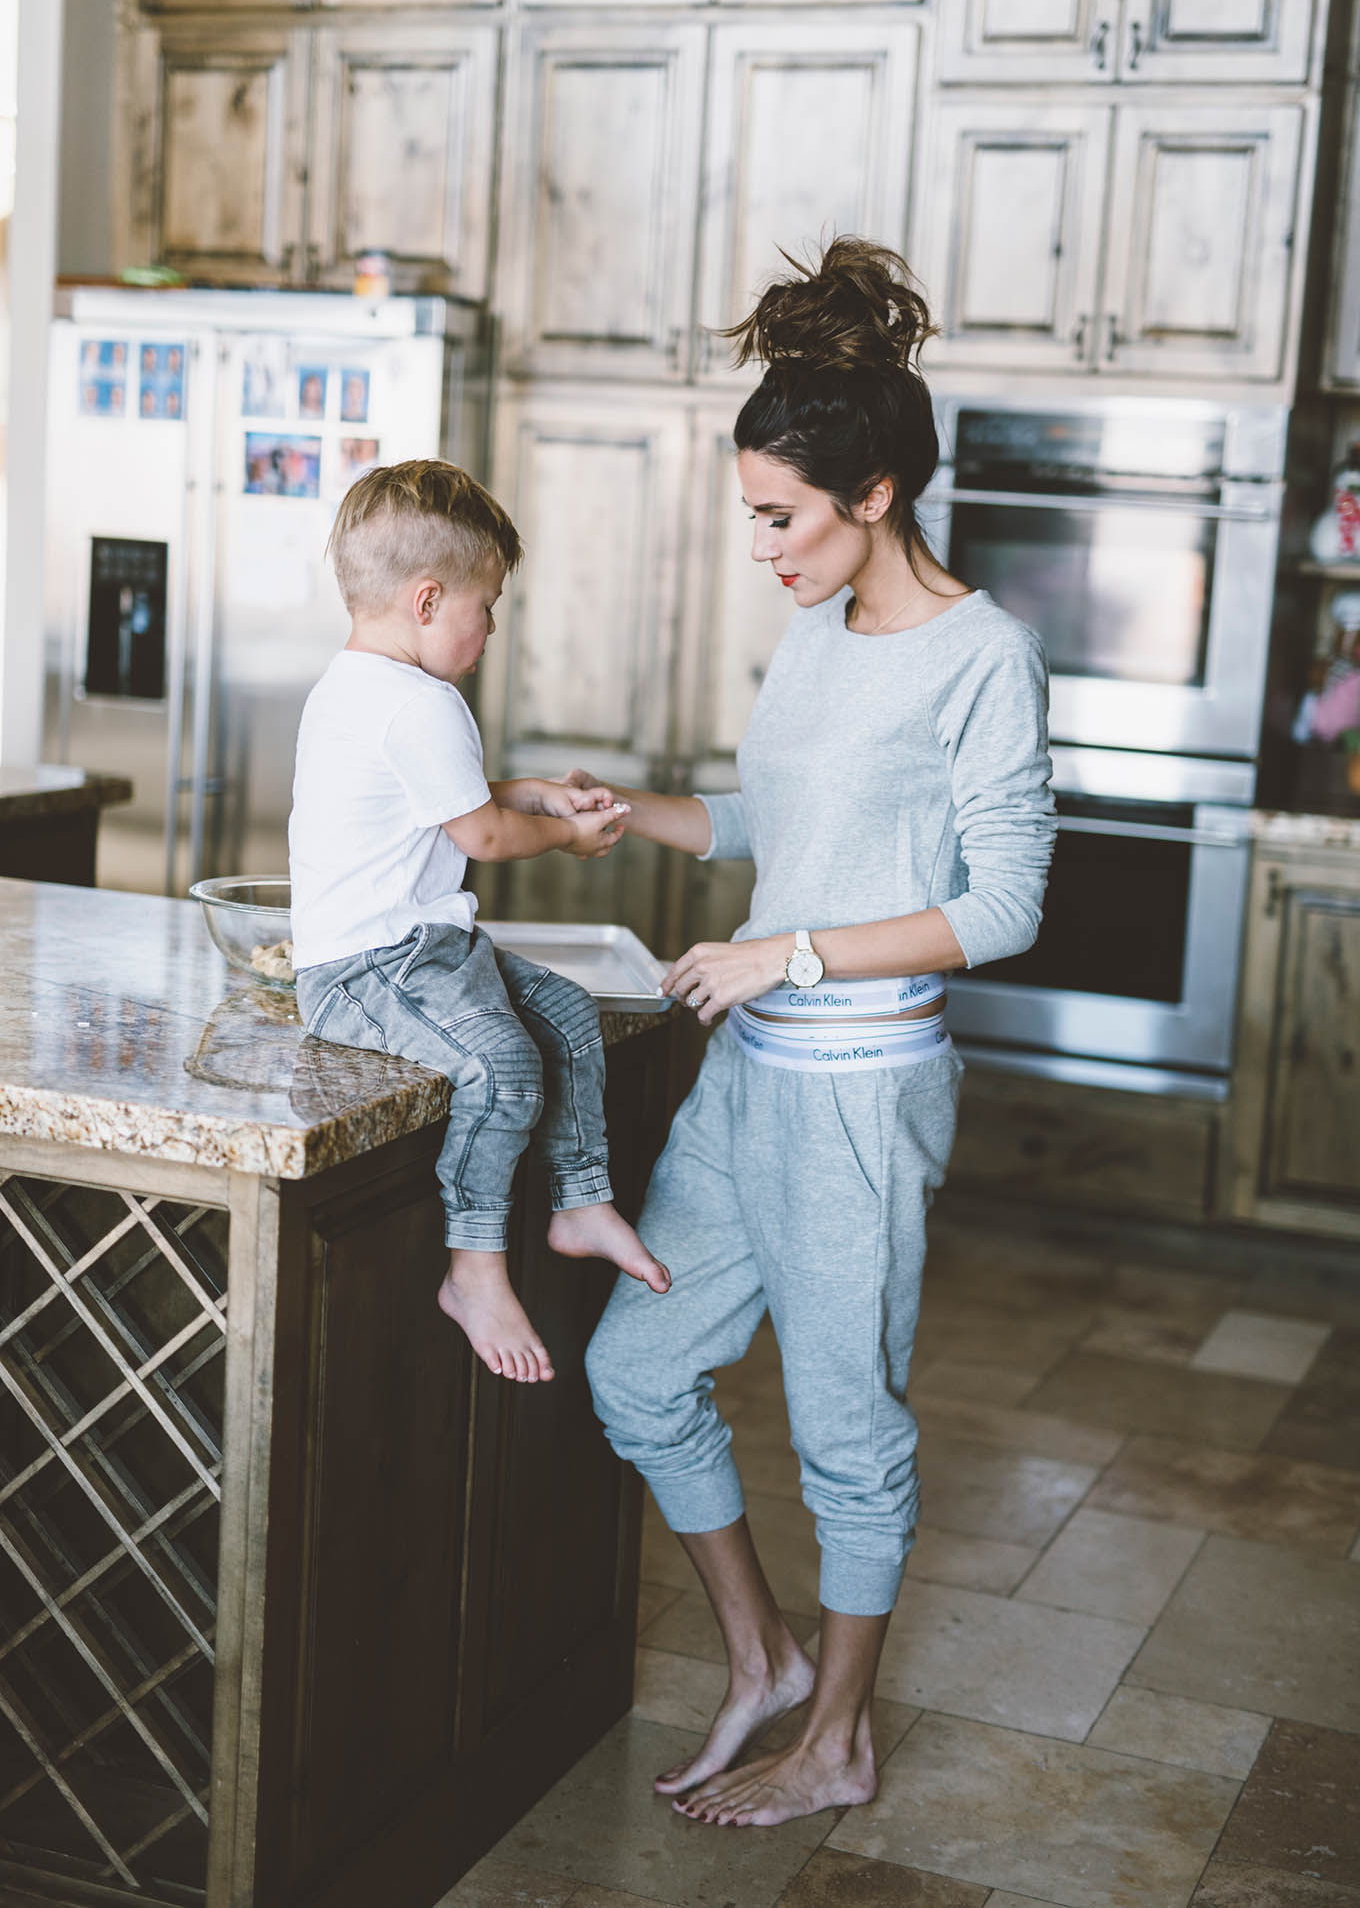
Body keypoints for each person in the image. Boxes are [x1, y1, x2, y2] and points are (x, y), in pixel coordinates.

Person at [581, 238, 1056, 1827]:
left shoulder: (982, 656)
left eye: (780, 518)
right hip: (747, 1082)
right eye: (754, 518)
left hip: (861, 1097)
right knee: (640, 1367)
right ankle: (765, 1660)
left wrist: (783, 952)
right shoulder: (815, 628)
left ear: (874, 496)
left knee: (849, 1431)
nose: (763, 549)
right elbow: (772, 820)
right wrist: (624, 816)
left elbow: (1000, 909)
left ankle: (839, 1741)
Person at [289, 459, 671, 1385]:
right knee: (501, 1066)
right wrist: (564, 837)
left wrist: (539, 790)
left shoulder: (360, 685)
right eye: (487, 605)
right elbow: (486, 834)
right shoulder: (422, 704)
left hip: (422, 953)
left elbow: (450, 799)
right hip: (367, 971)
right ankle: (473, 1267)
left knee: (569, 1017)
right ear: (427, 601)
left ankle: (580, 1203)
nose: (492, 628)